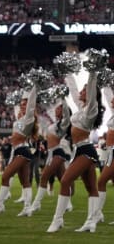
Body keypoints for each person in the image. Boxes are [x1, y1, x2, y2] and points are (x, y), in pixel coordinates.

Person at [47, 62, 106, 232]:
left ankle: (57, 220)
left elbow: (93, 89)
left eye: (84, 90)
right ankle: (91, 222)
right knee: (91, 188)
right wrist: (67, 74)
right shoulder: (82, 108)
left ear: (90, 94)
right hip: (79, 150)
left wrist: (93, 71)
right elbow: (73, 91)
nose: (80, 92)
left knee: (65, 180)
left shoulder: (91, 110)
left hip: (86, 151)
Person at [0, 86, 38, 217]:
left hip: (23, 151)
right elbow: (16, 134)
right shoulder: (19, 120)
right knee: (25, 182)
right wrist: (8, 139)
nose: (22, 107)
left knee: (6, 176)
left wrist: (35, 86)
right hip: (17, 150)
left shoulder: (29, 119)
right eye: (21, 105)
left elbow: (30, 106)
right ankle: (28, 208)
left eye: (25, 105)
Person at [29, 98, 71, 214]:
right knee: (63, 180)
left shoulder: (63, 124)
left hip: (57, 153)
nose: (56, 110)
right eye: (56, 108)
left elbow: (67, 116)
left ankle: (36, 204)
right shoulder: (55, 124)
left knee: (44, 177)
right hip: (51, 153)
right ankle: (68, 204)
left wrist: (64, 101)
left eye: (59, 108)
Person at [95, 90, 114, 223]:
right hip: (110, 152)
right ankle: (98, 213)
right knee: (101, 181)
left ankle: (97, 214)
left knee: (101, 181)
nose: (111, 102)